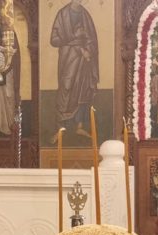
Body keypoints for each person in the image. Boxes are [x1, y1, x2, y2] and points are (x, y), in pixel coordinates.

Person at [50, 0, 99, 142]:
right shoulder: (62, 14)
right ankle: (60, 128)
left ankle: (79, 126)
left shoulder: (85, 15)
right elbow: (54, 40)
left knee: (83, 90)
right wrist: (74, 40)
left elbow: (92, 39)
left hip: (83, 60)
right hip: (68, 59)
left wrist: (87, 50)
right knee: (65, 89)